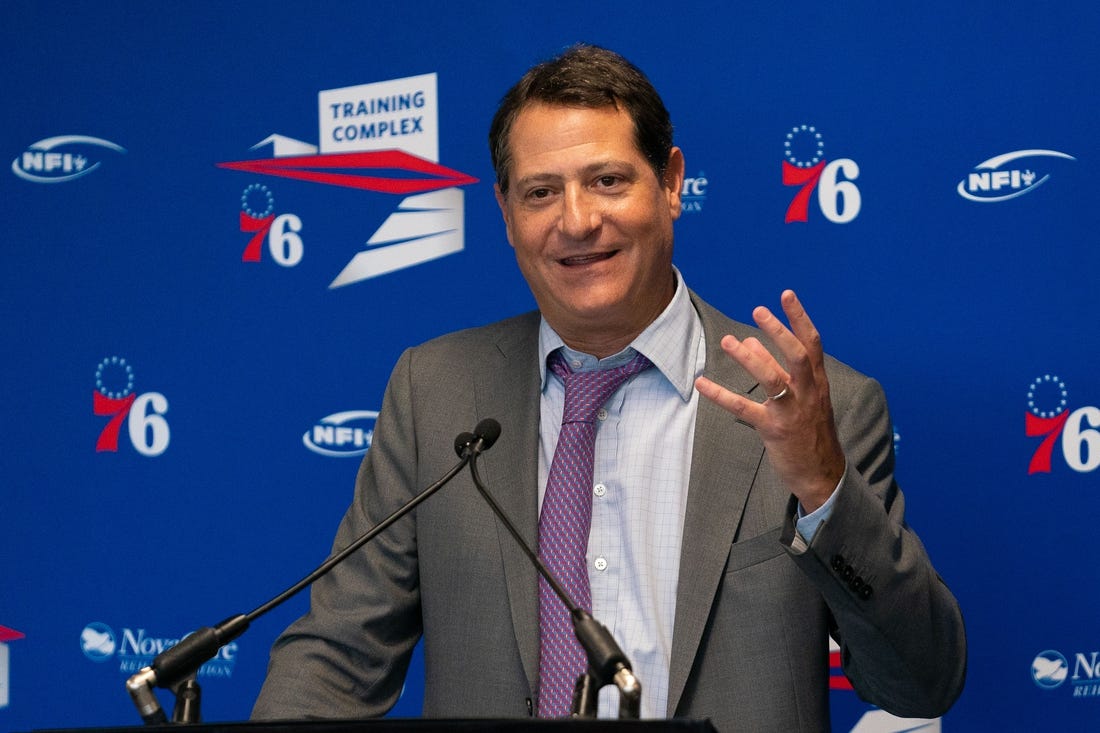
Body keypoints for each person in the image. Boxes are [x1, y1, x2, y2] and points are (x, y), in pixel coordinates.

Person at [252, 44, 966, 731]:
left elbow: (919, 682)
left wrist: (822, 487)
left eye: (607, 181)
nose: (577, 220)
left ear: (671, 182)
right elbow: (338, 658)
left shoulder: (811, 406)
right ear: (505, 213)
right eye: (541, 192)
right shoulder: (434, 392)